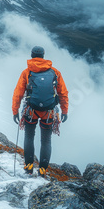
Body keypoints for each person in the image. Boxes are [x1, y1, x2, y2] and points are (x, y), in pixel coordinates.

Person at [12, 46, 69, 177]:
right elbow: (62, 93)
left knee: (29, 136)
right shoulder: (55, 72)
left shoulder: (27, 72)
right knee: (46, 140)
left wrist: (15, 111)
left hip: (31, 111)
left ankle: (29, 166)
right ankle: (43, 169)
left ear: (31, 55)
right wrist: (65, 110)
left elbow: (18, 94)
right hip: (49, 112)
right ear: (43, 56)